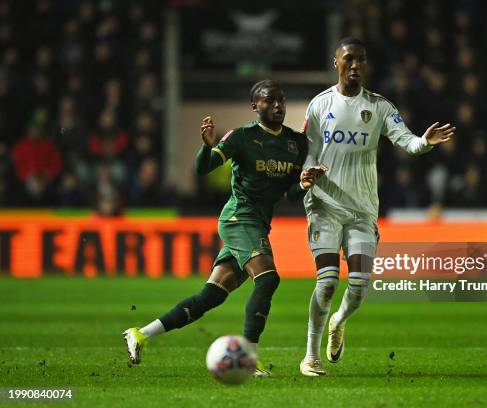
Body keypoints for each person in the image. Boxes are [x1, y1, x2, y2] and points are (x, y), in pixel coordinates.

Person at [123, 80, 326, 376]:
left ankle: (141, 334)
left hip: (258, 223)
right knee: (268, 279)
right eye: (270, 101)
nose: (278, 106)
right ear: (255, 107)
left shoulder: (295, 143)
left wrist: (304, 184)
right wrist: (207, 148)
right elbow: (202, 168)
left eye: (281, 100)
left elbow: (289, 194)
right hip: (239, 218)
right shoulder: (243, 136)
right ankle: (248, 356)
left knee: (211, 296)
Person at [299, 37, 455, 376]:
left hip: (362, 209)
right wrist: (306, 174)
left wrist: (425, 143)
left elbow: (408, 141)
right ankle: (310, 355)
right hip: (324, 205)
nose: (355, 65)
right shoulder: (319, 105)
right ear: (335, 63)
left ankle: (338, 322)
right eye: (349, 59)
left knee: (357, 288)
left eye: (361, 60)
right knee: (326, 283)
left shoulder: (380, 107)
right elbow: (308, 152)